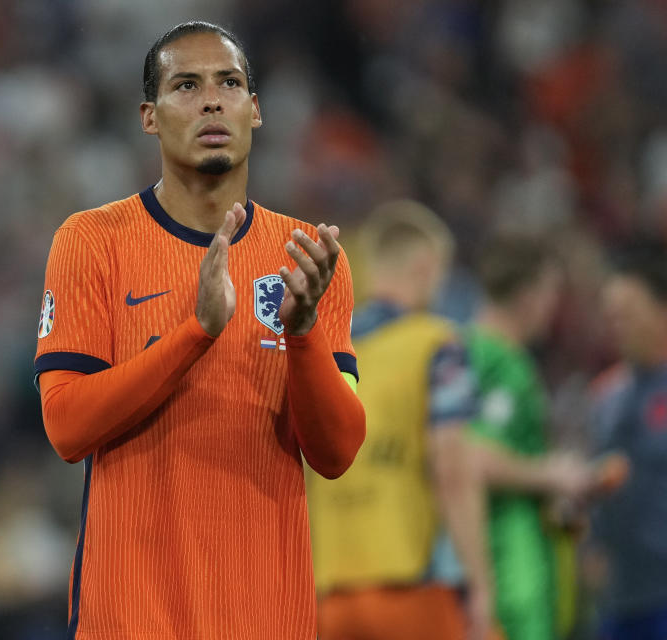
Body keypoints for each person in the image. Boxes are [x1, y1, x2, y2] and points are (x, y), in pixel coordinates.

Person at [34, 21, 366, 638]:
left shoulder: (310, 260)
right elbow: (67, 426)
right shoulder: (91, 241)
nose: (212, 100)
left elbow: (338, 453)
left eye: (229, 83)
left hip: (269, 620)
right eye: (185, 85)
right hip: (131, 619)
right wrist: (196, 333)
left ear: (256, 110)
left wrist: (303, 330)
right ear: (149, 117)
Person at [306, 200, 495, 640]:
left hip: (329, 596)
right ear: (426, 266)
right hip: (410, 586)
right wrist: (482, 585)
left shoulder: (323, 354)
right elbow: (451, 468)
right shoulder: (437, 344)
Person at [466, 234, 621, 640]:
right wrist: (552, 475)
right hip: (510, 570)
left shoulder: (472, 352)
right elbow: (471, 455)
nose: (553, 308)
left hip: (507, 564)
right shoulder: (498, 361)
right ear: (527, 293)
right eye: (551, 292)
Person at [589, 241, 667, 640]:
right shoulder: (606, 396)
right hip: (618, 599)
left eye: (629, 313)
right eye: (612, 315)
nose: (617, 325)